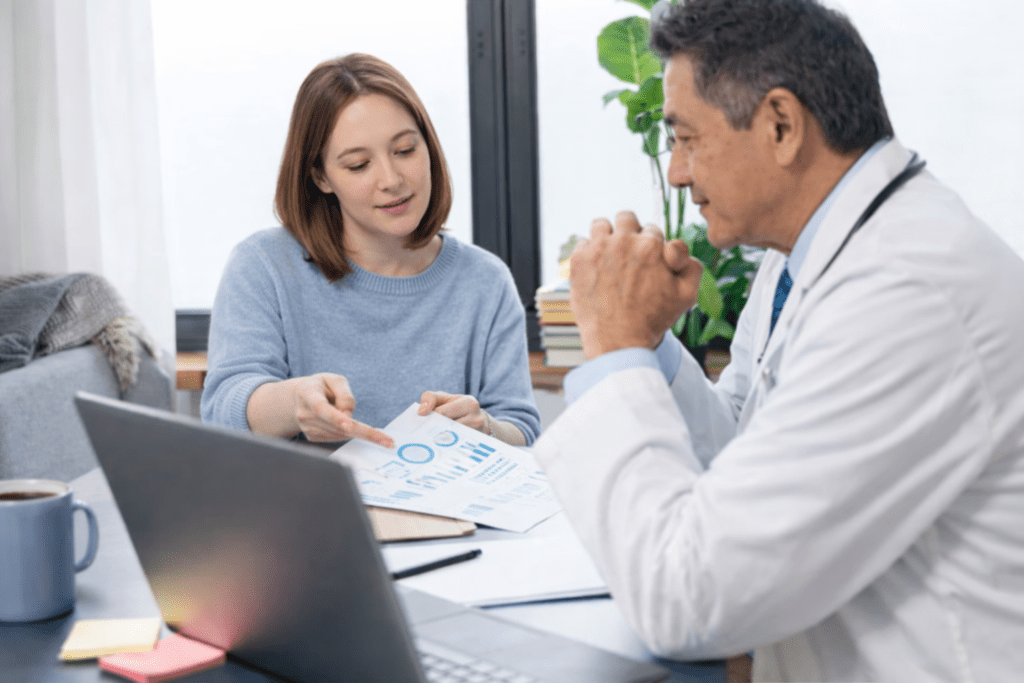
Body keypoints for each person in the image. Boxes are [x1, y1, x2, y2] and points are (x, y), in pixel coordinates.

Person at [532, 1, 1024, 681]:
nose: (675, 171)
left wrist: (612, 347)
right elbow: (742, 452)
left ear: (781, 125)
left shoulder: (907, 291)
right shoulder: (803, 253)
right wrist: (644, 339)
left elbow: (689, 602)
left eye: (687, 137)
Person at [202, 54, 540, 448]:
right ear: (321, 177)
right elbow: (223, 411)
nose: (392, 180)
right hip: (313, 508)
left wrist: (484, 427)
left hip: (445, 510)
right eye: (359, 165)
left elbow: (521, 430)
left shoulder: (485, 280)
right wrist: (296, 403)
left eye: (405, 150)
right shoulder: (263, 266)